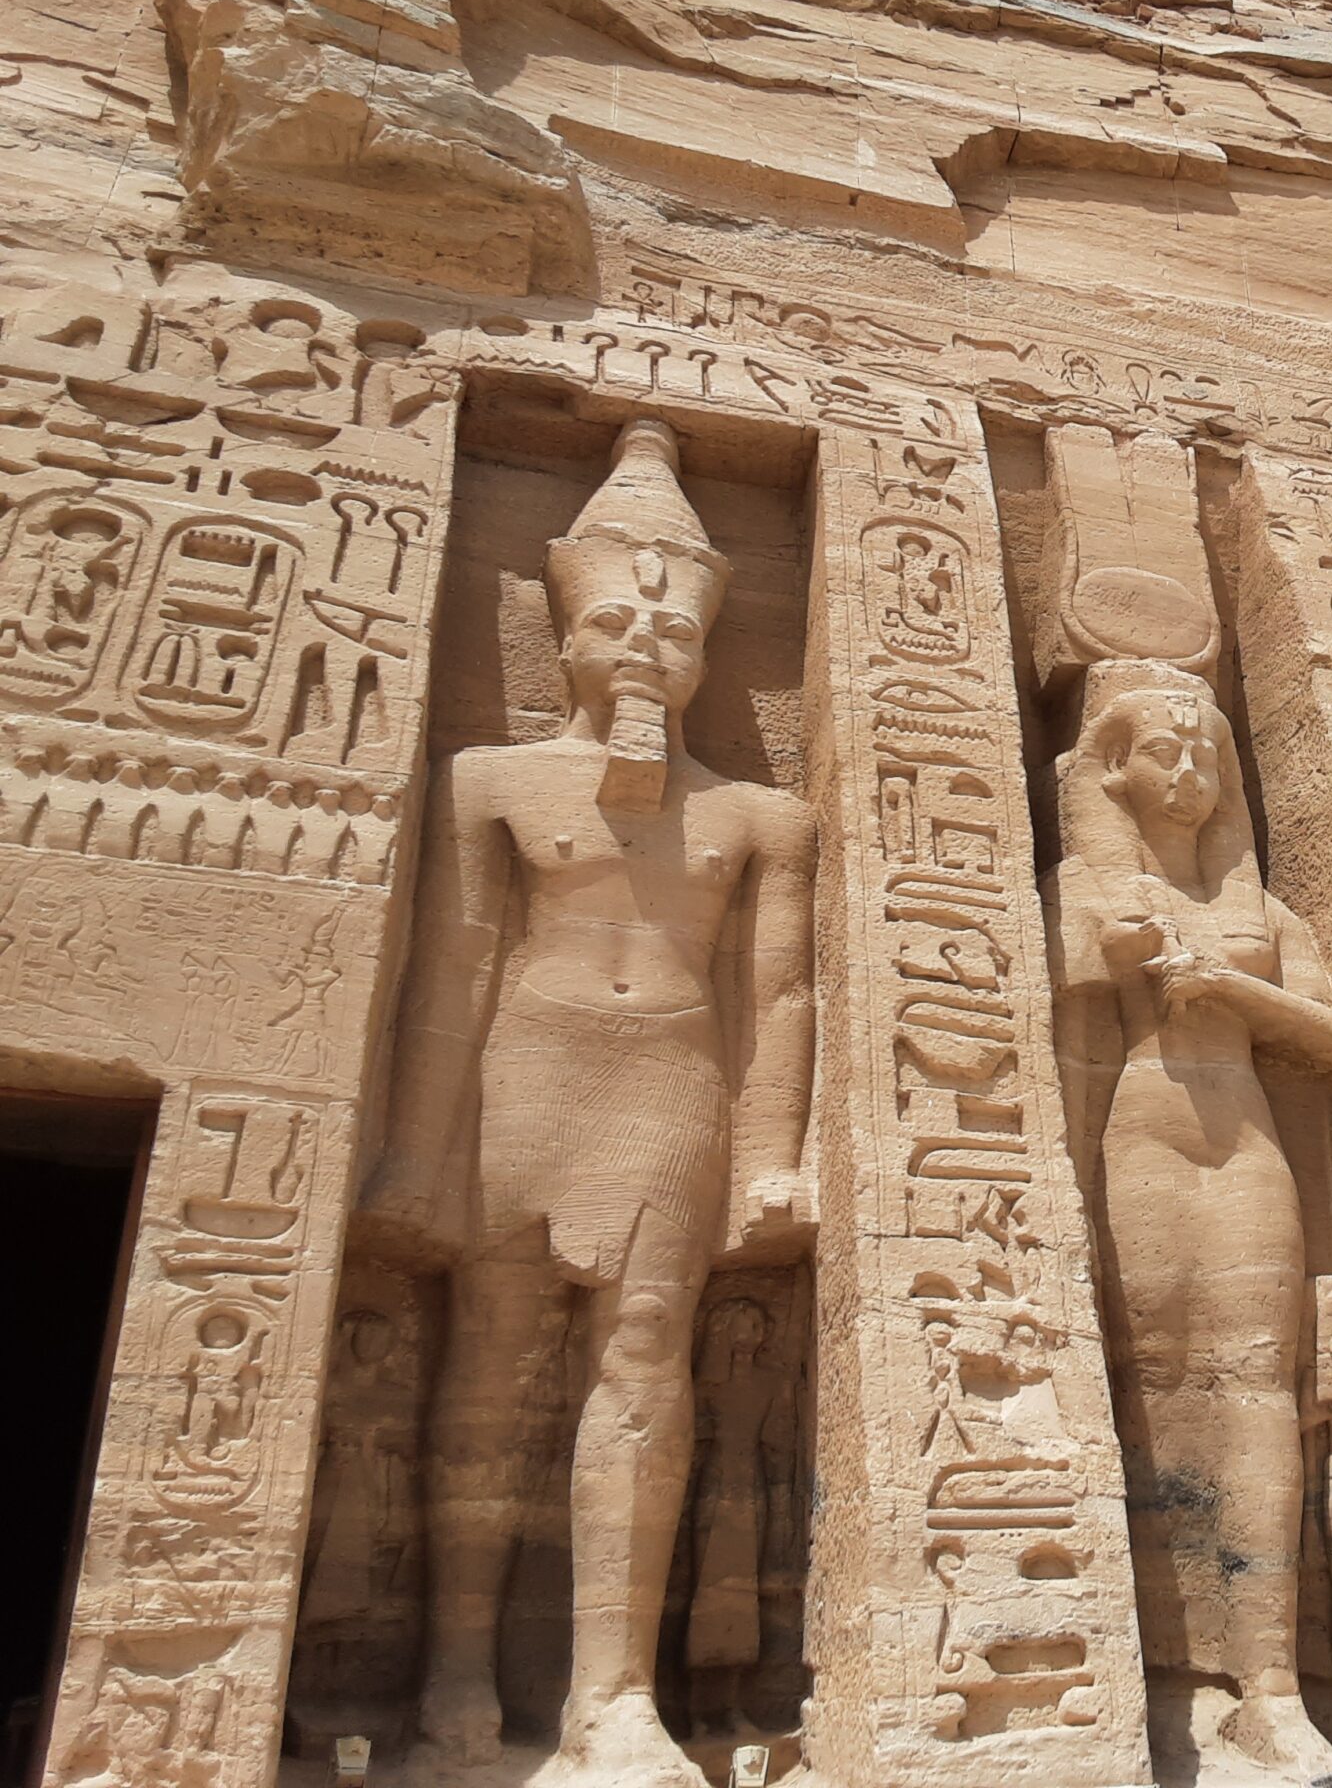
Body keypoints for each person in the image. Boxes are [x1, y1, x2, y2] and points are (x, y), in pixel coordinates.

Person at [366, 418, 814, 1788]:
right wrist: (413, 1153)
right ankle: (452, 1676)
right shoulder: (491, 781)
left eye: (673, 633)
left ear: (704, 658)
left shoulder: (759, 817)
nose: (643, 647)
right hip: (525, 1074)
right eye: (615, 622)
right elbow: (453, 971)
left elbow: (780, 998)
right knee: (493, 1363)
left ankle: (611, 1698)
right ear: (564, 638)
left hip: (670, 1085)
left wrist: (773, 1158)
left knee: (645, 1360)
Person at [1048, 661, 1332, 1774]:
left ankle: (1270, 1687)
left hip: (1245, 1149)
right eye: (1161, 752)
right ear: (1113, 773)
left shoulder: (1262, 912)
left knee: (1257, 1396)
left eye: (1205, 754)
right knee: (1143, 1384)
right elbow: (1072, 1054)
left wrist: (1230, 989)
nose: (1186, 771)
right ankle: (1151, 1676)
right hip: (1135, 1140)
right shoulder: (1082, 888)